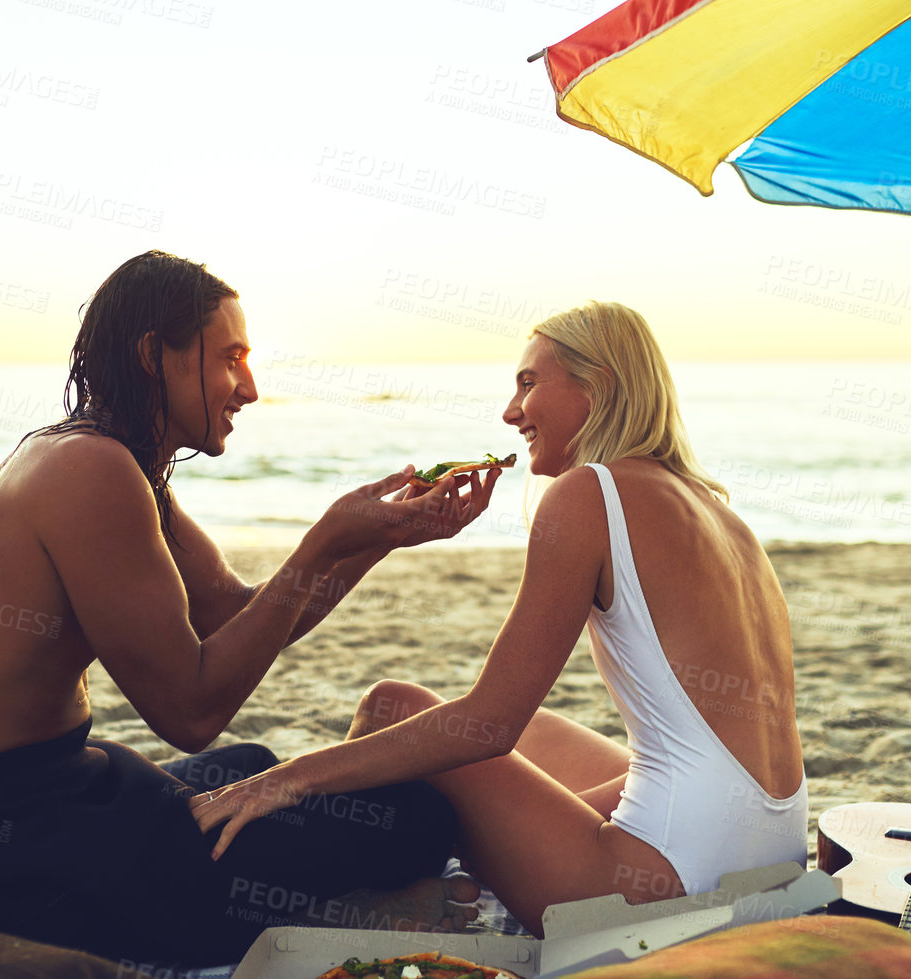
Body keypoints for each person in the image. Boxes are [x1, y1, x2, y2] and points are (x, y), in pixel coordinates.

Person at [0, 251, 502, 966]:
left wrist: (381, 537)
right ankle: (350, 914)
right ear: (156, 355)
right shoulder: (92, 472)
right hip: (13, 844)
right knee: (415, 818)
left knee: (253, 766)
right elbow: (189, 714)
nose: (249, 387)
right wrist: (319, 545)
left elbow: (241, 615)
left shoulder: (105, 458)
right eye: (231, 359)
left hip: (17, 802)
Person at [191, 302, 807, 935]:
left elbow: (488, 726)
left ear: (597, 386)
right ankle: (498, 846)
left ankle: (378, 895)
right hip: (774, 853)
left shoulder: (587, 492)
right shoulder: (718, 512)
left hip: (668, 882)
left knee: (393, 708)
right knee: (537, 735)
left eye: (528, 384)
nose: (511, 412)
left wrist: (285, 779)